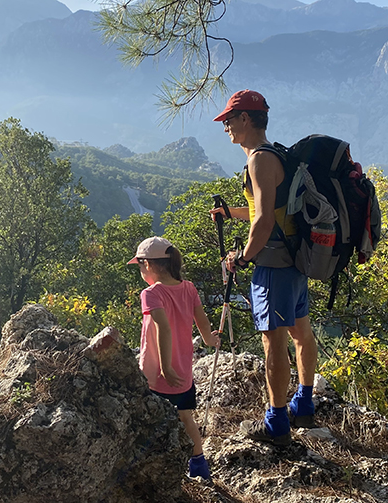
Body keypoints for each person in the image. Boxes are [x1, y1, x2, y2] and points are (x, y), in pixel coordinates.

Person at [209, 89, 318, 446]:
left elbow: (263, 224)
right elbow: (265, 209)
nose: (225, 126)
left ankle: (276, 423)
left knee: (273, 341)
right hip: (295, 261)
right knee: (301, 334)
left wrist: (243, 257)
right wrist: (230, 213)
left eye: (229, 119)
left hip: (273, 265)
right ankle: (304, 404)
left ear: (245, 119)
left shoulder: (258, 160)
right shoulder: (277, 155)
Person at [128, 236, 221, 479]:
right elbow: (201, 319)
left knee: (151, 418)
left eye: (139, 266)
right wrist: (210, 340)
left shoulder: (151, 293)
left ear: (147, 265)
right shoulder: (188, 287)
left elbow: (163, 327)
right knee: (185, 417)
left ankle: (151, 468)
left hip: (157, 371)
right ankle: (199, 464)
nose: (140, 270)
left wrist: (165, 367)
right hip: (183, 371)